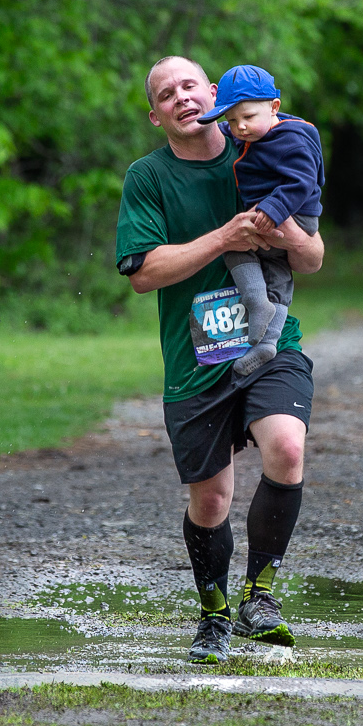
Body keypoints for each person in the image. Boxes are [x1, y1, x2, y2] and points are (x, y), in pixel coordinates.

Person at [115, 55, 326, 664]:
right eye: (164, 94)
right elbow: (143, 272)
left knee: (286, 447)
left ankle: (261, 597)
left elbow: (312, 258)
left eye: (189, 85)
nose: (180, 97)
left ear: (212, 93)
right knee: (211, 501)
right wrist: (225, 239)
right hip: (194, 360)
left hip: (270, 343)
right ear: (155, 115)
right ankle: (213, 612)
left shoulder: (262, 146)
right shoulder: (147, 178)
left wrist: (282, 231)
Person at [199, 65, 325, 381]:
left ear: (274, 107)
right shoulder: (254, 131)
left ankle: (257, 303)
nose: (240, 127)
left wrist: (274, 209)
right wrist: (213, 127)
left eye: (248, 118)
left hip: (291, 212)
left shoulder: (291, 138)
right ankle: (267, 344)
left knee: (235, 248)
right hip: (273, 212)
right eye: (231, 120)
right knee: (278, 273)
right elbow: (229, 132)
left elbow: (303, 180)